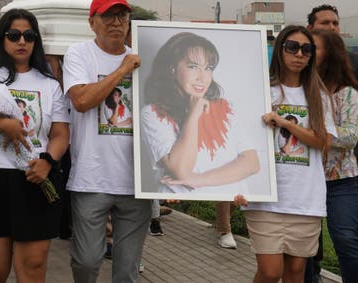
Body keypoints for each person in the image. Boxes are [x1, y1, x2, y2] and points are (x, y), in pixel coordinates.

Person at [0, 8, 70, 282]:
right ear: (2, 39)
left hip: (35, 178)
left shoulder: (49, 84)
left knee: (32, 268)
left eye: (29, 36)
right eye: (14, 35)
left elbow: (60, 134)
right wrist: (3, 125)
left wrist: (48, 161)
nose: (22, 41)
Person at [63, 0, 151, 283]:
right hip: (92, 178)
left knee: (127, 271)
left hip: (136, 183)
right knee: (87, 261)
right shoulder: (78, 54)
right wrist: (123, 69)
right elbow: (81, 100)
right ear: (92, 23)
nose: (117, 22)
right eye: (108, 16)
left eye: (122, 15)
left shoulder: (144, 58)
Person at [236, 25, 336, 283]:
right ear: (280, 50)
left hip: (304, 199)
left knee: (295, 273)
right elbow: (240, 142)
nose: (299, 54)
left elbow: (322, 141)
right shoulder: (261, 91)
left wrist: (287, 123)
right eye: (292, 47)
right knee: (270, 272)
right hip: (266, 197)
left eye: (306, 49)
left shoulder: (319, 95)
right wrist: (238, 185)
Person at [141, 32, 260, 195]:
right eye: (193, 67)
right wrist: (193, 114)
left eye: (208, 68)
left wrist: (200, 179)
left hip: (231, 204)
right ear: (172, 68)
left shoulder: (225, 108)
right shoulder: (153, 113)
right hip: (181, 204)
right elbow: (181, 170)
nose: (202, 77)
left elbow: (251, 163)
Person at [310, 29, 358, 280]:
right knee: (305, 247)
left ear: (331, 53)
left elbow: (351, 136)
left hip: (341, 181)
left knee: (346, 240)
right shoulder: (301, 89)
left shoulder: (348, 93)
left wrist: (316, 133)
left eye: (313, 48)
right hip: (305, 177)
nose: (305, 53)